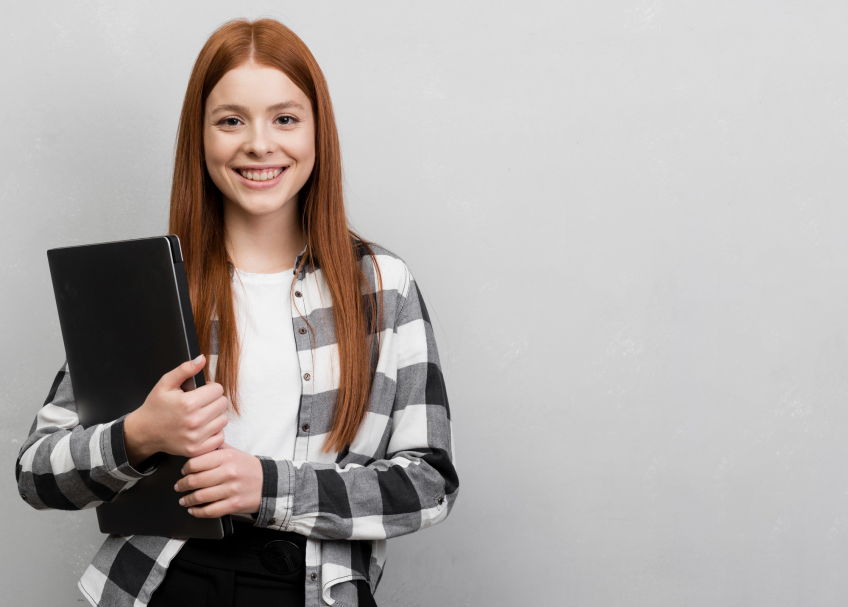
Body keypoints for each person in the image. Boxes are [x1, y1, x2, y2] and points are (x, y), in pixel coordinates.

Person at [15, 18, 458, 607]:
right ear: (199, 137)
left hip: (308, 585)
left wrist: (267, 487)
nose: (258, 143)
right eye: (230, 120)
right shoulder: (146, 289)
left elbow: (428, 485)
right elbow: (36, 474)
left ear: (317, 132)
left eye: (285, 118)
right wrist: (140, 435)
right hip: (159, 581)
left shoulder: (381, 285)